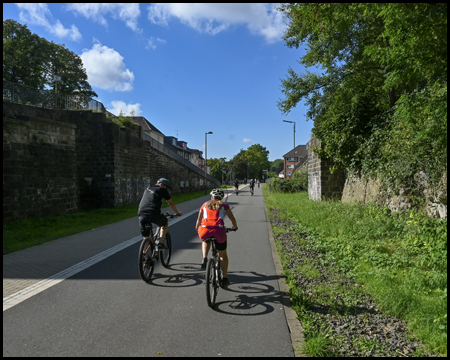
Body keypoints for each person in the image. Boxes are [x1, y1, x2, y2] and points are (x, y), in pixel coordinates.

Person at [195, 188, 238, 287]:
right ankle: (224, 278)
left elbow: (199, 219)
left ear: (212, 196)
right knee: (222, 255)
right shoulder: (224, 205)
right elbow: (232, 218)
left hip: (205, 230)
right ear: (221, 198)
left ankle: (204, 258)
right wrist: (235, 227)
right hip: (219, 231)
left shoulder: (204, 205)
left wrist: (197, 228)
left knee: (205, 240)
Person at [138, 178, 182, 249]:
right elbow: (171, 203)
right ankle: (160, 243)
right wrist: (177, 212)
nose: (167, 190)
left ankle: (145, 258)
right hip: (154, 213)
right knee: (165, 223)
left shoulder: (147, 189)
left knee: (146, 237)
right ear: (161, 184)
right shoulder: (162, 189)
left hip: (141, 214)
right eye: (167, 187)